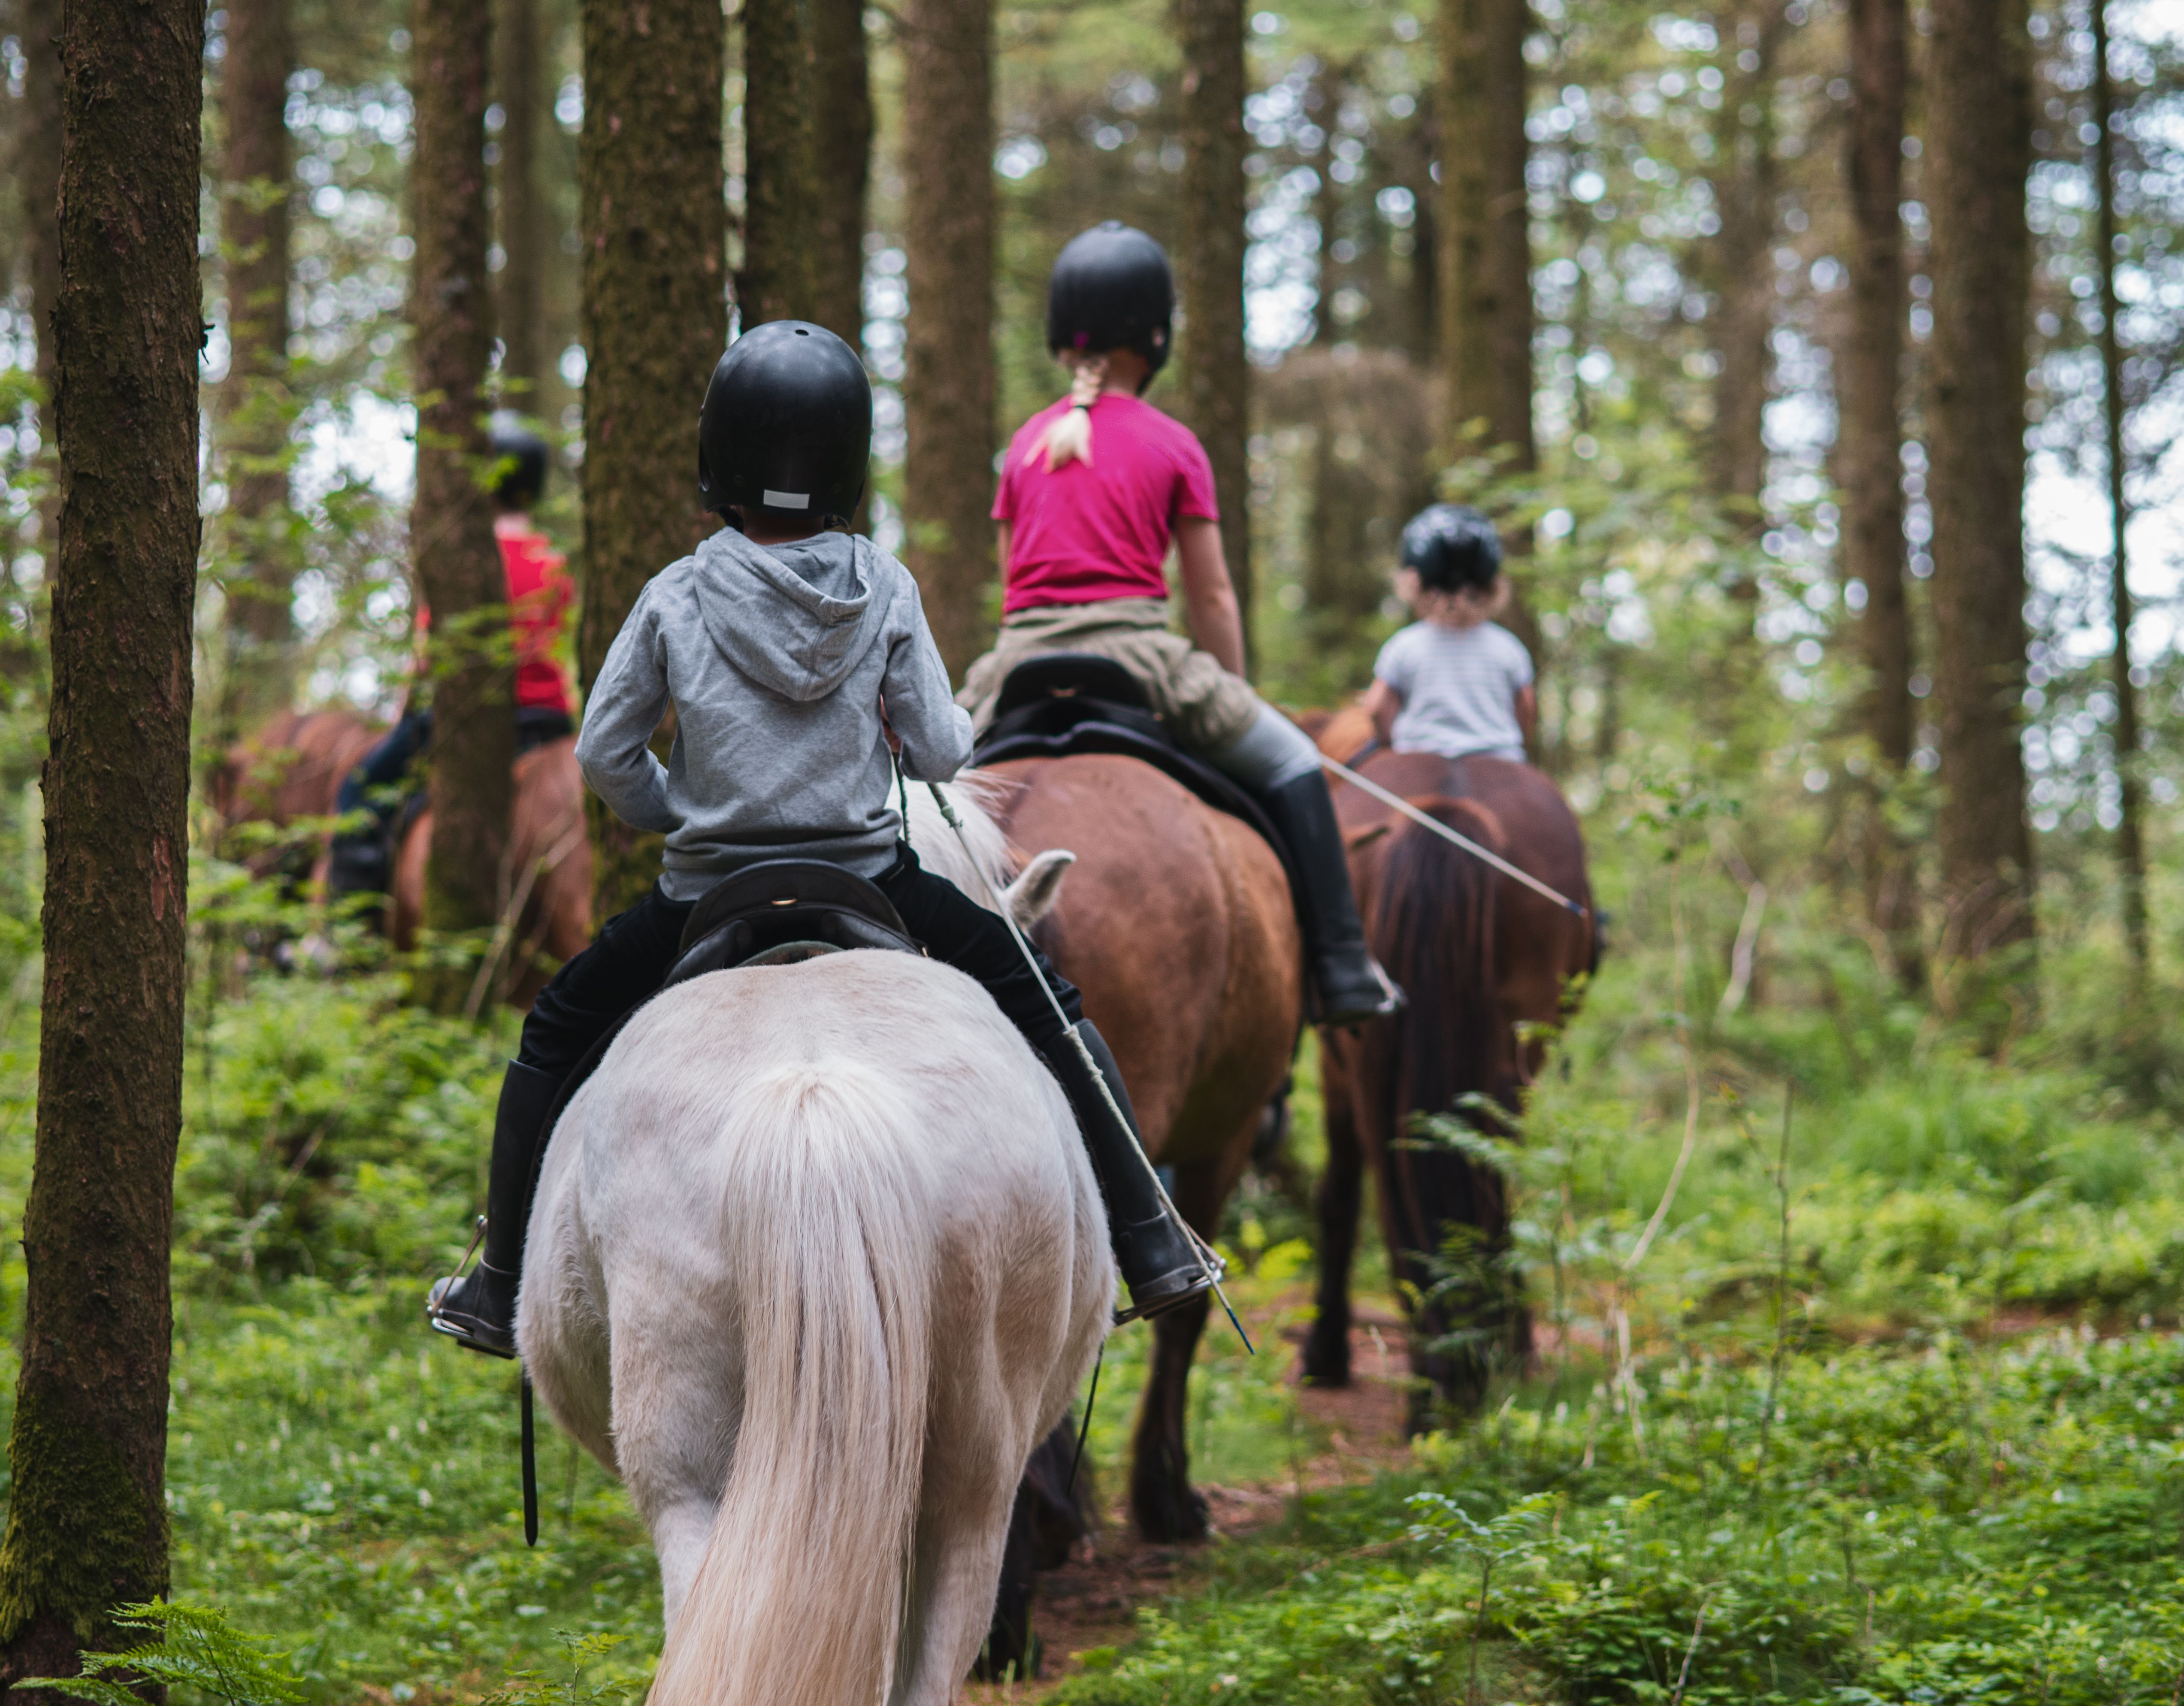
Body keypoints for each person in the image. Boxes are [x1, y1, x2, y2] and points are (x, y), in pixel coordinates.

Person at [424, 321, 1223, 1358]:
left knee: (552, 1031)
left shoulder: (674, 593)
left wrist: (678, 811)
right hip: (871, 884)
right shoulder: (884, 586)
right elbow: (939, 753)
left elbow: (602, 751)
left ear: (719, 460)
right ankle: (1152, 1238)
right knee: (1050, 1007)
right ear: (849, 462)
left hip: (704, 895)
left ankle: (499, 1283)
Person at [953, 221, 1401, 1025]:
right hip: (1142, 654)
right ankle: (1342, 967)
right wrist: (1231, 688)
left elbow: (1013, 578)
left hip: (1017, 657)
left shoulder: (1024, 446)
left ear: (1063, 336)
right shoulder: (1173, 444)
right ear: (1154, 334)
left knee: (917, 793)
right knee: (1296, 763)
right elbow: (1215, 596)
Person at [327, 414, 578, 907]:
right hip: (550, 723)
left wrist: (406, 713)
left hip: (469, 717)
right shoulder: (554, 563)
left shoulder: (466, 561)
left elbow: (428, 661)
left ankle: (348, 930)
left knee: (361, 790)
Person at [1362, 503, 1537, 763]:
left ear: (1415, 583)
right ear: (1492, 585)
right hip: (1498, 759)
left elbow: (1377, 708)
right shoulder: (1509, 646)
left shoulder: (1404, 645)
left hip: (1418, 758)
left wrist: (1389, 745)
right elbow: (1526, 709)